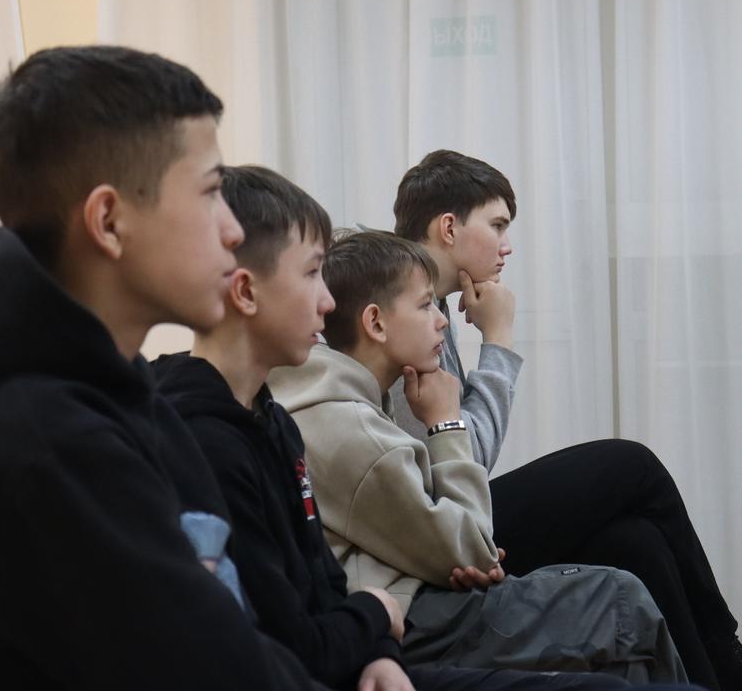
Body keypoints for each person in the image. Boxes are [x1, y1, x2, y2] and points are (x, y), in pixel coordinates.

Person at [155, 165, 701, 691]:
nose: (325, 302)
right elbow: (460, 530)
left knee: (632, 544)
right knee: (626, 514)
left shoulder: (277, 415)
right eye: (497, 225)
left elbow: (334, 567)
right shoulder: (329, 408)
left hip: (406, 592)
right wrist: (464, 396)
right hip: (418, 600)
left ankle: (726, 668)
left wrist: (382, 626)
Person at [0, 46, 325, 689]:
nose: (233, 231)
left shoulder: (123, 394)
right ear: (110, 221)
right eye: (210, 192)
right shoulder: (38, 444)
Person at [386, 149, 742, 691]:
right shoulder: (399, 314)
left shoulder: (430, 308)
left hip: (454, 516)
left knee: (635, 541)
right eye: (498, 225)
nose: (507, 246)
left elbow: (457, 454)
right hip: (434, 539)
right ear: (448, 228)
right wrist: (500, 339)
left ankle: (715, 678)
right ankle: (731, 661)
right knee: (631, 465)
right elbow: (462, 458)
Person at [268, 228, 689, 685]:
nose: (441, 321)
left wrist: (460, 543)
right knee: (622, 587)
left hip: (416, 591)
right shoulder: (352, 425)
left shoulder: (350, 400)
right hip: (411, 617)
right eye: (425, 306)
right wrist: (446, 422)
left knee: (630, 553)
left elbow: (448, 531)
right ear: (376, 323)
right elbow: (475, 547)